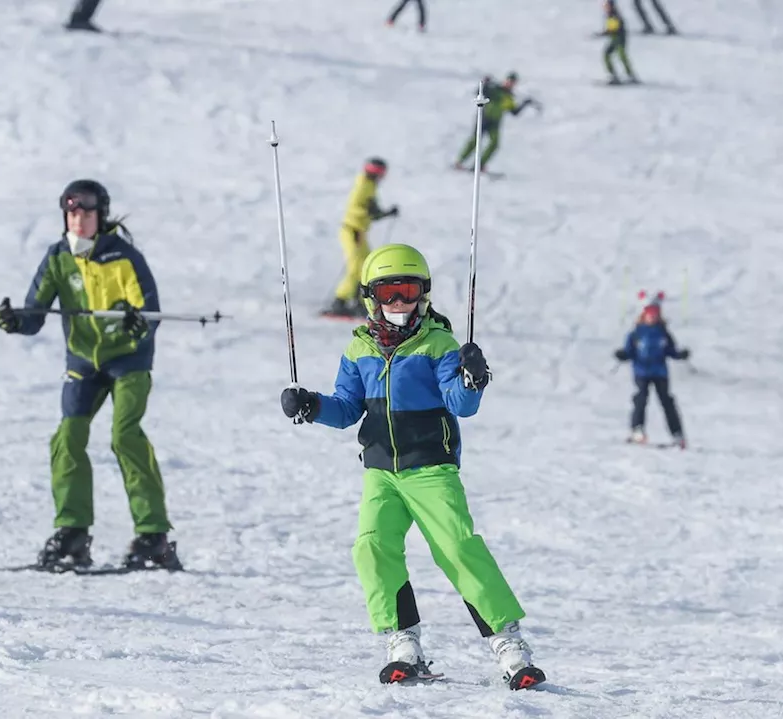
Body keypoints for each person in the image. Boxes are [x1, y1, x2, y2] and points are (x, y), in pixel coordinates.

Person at [281, 244, 547, 690]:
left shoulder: (439, 344)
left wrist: (473, 379)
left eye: (408, 289)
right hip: (381, 471)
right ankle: (402, 642)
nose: (400, 301)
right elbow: (346, 408)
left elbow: (460, 406)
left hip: (430, 469)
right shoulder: (358, 348)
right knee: (371, 546)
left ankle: (510, 646)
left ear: (423, 294)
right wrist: (310, 405)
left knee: (458, 548)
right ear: (372, 297)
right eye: (390, 292)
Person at [0, 179, 183, 569]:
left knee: (124, 435)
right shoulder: (58, 258)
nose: (78, 221)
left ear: (102, 215)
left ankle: (154, 535)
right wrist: (13, 320)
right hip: (83, 362)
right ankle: (73, 531)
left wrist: (137, 325)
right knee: (67, 436)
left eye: (87, 213)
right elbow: (35, 313)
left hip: (128, 361)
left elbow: (149, 312)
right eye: (72, 213)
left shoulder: (124, 257)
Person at [325, 158, 400, 319]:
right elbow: (358, 207)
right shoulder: (363, 185)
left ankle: (360, 300)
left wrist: (384, 213)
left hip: (359, 232)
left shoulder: (369, 186)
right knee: (355, 267)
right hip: (352, 231)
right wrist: (372, 210)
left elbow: (371, 211)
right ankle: (341, 300)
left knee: (367, 265)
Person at [613, 295, 689, 447]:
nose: (652, 316)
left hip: (660, 372)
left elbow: (670, 351)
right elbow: (630, 351)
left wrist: (680, 354)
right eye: (649, 312)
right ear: (644, 314)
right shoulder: (636, 334)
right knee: (641, 399)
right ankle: (637, 429)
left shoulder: (663, 333)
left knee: (666, 401)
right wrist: (623, 355)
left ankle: (677, 434)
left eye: (655, 312)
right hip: (642, 372)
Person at [453, 73, 540, 173]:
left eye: (512, 83)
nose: (510, 84)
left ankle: (480, 165)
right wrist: (485, 83)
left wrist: (525, 103)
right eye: (509, 81)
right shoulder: (494, 90)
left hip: (495, 122)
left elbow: (514, 112)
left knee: (494, 144)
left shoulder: (509, 97)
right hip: (484, 117)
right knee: (475, 140)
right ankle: (460, 161)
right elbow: (480, 92)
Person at [602, 1, 639, 85]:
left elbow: (614, 28)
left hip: (619, 40)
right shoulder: (610, 15)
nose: (605, 8)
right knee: (608, 55)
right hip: (615, 39)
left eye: (607, 6)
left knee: (621, 56)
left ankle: (629, 75)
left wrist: (605, 33)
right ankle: (614, 75)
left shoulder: (615, 15)